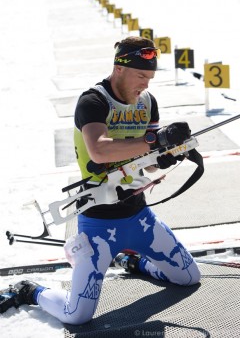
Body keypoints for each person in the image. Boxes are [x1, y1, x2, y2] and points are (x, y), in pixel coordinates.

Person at [12, 36, 201, 325]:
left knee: (189, 277)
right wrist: (155, 142)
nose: (145, 84)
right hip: (97, 224)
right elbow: (99, 151)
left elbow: (148, 166)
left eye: (149, 77)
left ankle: (131, 261)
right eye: (140, 75)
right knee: (76, 316)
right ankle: (30, 291)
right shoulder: (93, 101)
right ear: (119, 69)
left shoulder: (148, 102)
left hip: (139, 216)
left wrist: (164, 157)